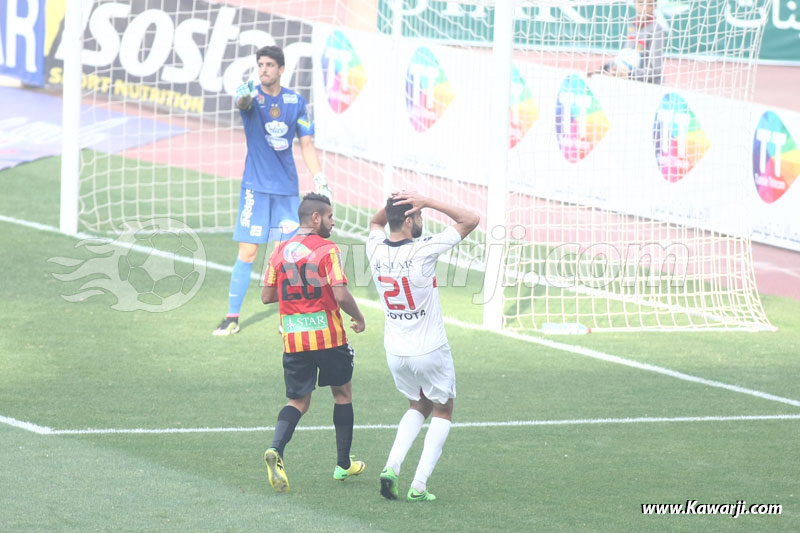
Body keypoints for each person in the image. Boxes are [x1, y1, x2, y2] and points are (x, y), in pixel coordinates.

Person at [366, 191, 479, 502]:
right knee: (443, 409)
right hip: (429, 349)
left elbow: (376, 221)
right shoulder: (423, 251)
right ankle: (418, 485)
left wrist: (395, 207)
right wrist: (427, 200)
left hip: (395, 351)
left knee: (418, 405)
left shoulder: (373, 248)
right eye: (418, 215)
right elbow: (471, 219)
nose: (422, 220)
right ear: (408, 219)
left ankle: (391, 467)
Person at [213, 45, 331, 336]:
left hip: (286, 190)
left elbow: (306, 143)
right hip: (255, 188)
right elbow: (242, 104)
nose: (263, 69)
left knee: (288, 253)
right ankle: (232, 318)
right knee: (249, 252)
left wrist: (319, 177)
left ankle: (288, 317)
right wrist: (243, 96)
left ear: (281, 69)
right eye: (260, 64)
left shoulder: (296, 102)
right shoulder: (252, 97)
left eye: (269, 65)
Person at [260, 193, 366, 493]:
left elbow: (267, 296)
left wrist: (298, 291)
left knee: (298, 402)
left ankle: (276, 450)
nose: (333, 222)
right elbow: (341, 294)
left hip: (294, 338)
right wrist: (359, 317)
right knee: (342, 394)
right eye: (330, 217)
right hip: (329, 337)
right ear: (316, 218)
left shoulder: (279, 251)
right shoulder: (328, 249)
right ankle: (343, 464)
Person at [588, 0, 666, 84]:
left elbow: (656, 71)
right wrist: (604, 69)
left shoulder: (657, 30)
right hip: (631, 81)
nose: (644, 8)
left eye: (649, 4)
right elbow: (625, 58)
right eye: (641, 3)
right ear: (635, 4)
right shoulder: (632, 25)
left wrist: (630, 74)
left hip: (649, 85)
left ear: (655, 7)